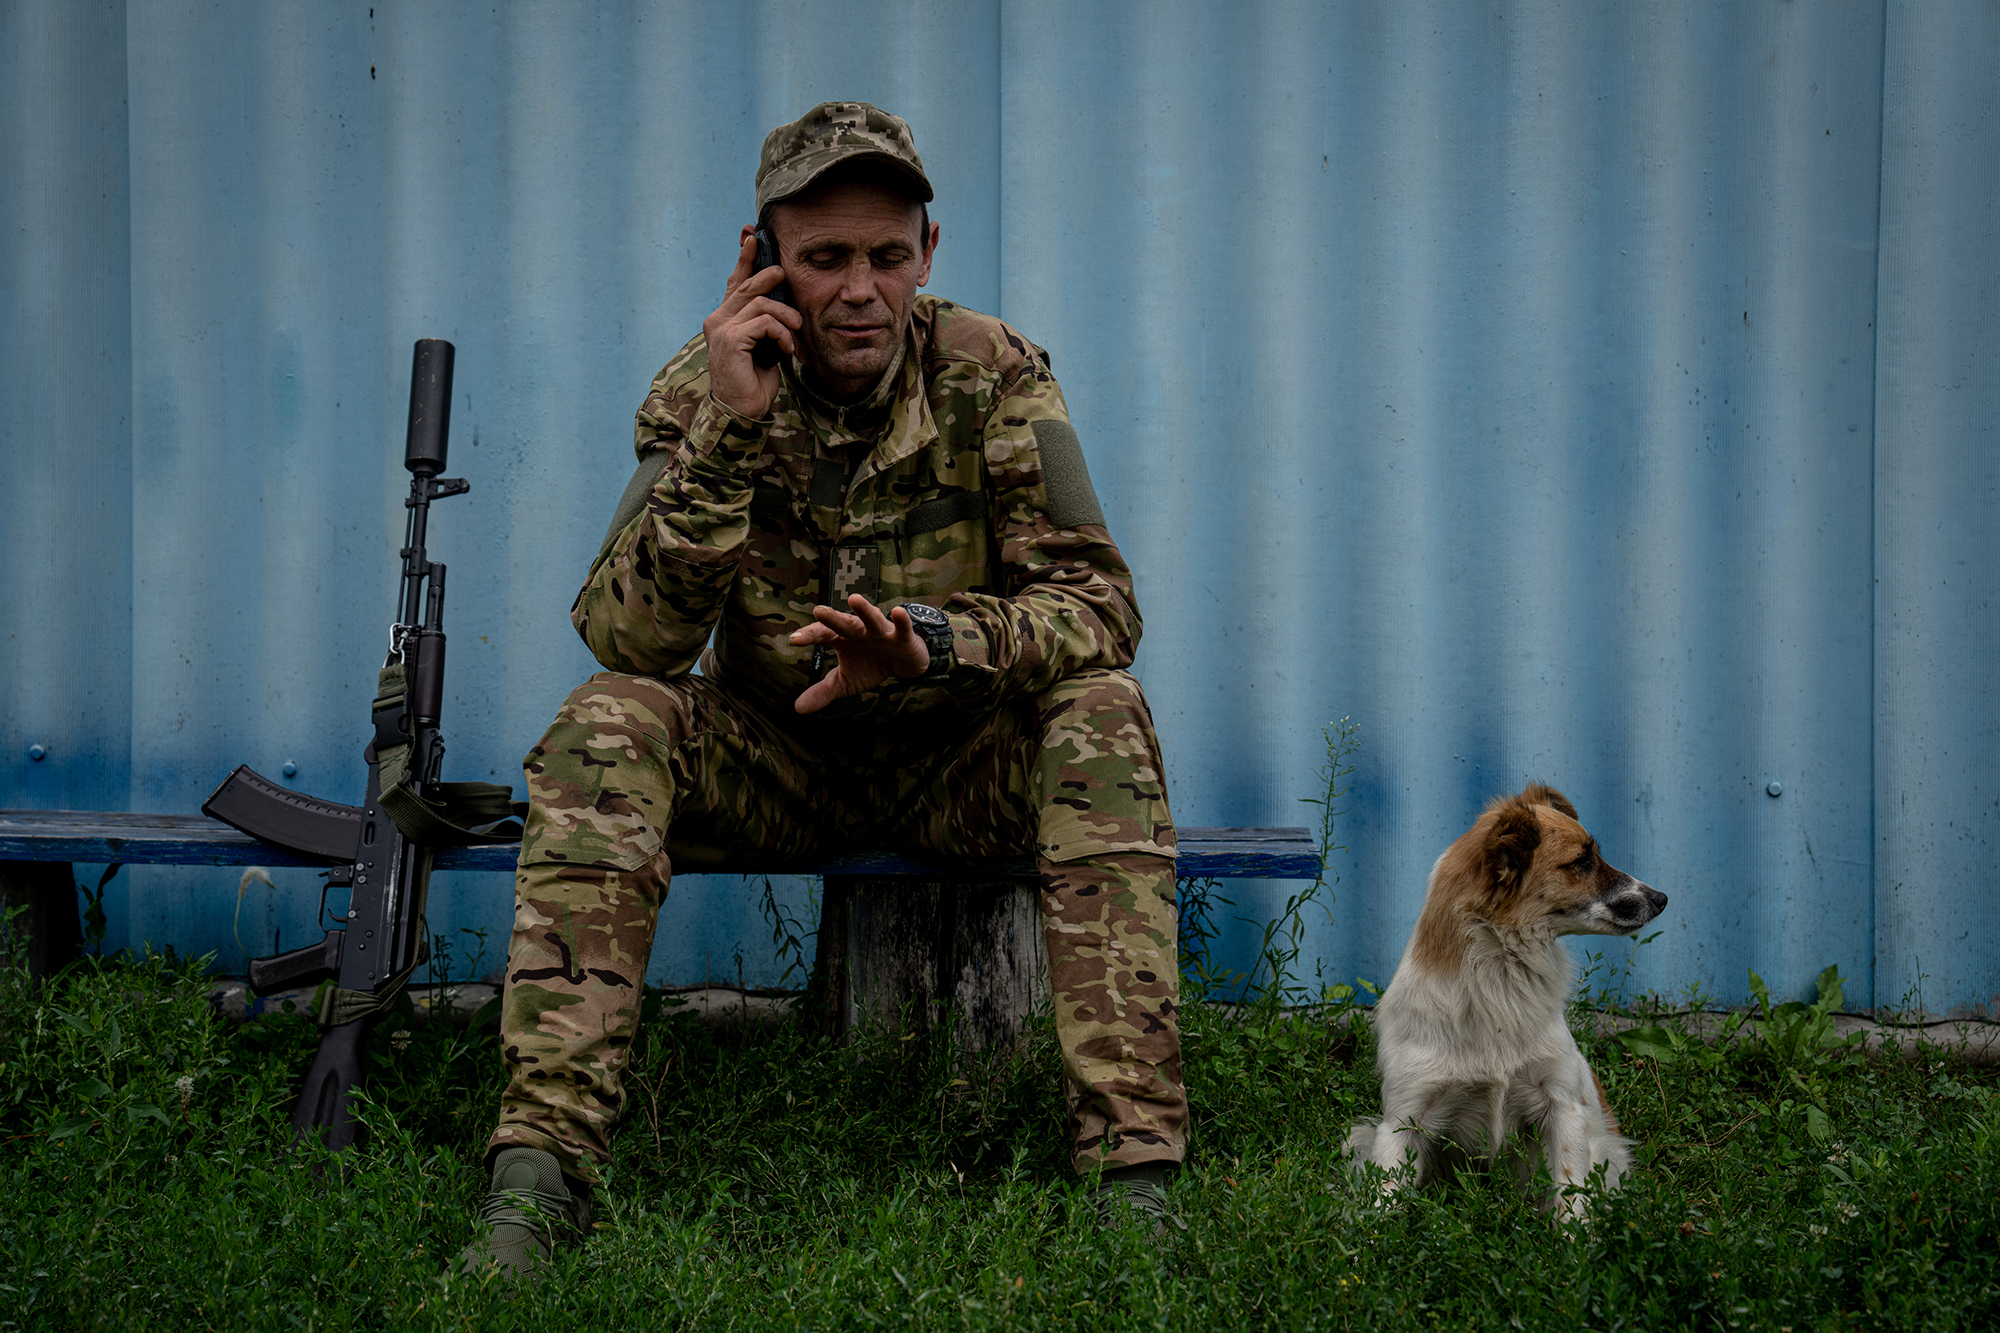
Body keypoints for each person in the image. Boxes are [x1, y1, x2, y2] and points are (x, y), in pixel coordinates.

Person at [461, 102, 1184, 1279]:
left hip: (956, 767)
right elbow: (626, 636)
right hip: (774, 765)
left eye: (887, 256)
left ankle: (1133, 1183)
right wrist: (729, 436)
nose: (859, 290)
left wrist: (936, 642)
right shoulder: (704, 386)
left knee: (1101, 711)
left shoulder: (994, 372)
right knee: (607, 719)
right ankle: (538, 1182)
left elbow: (1100, 609)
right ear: (762, 258)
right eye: (825, 257)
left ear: (927, 254)